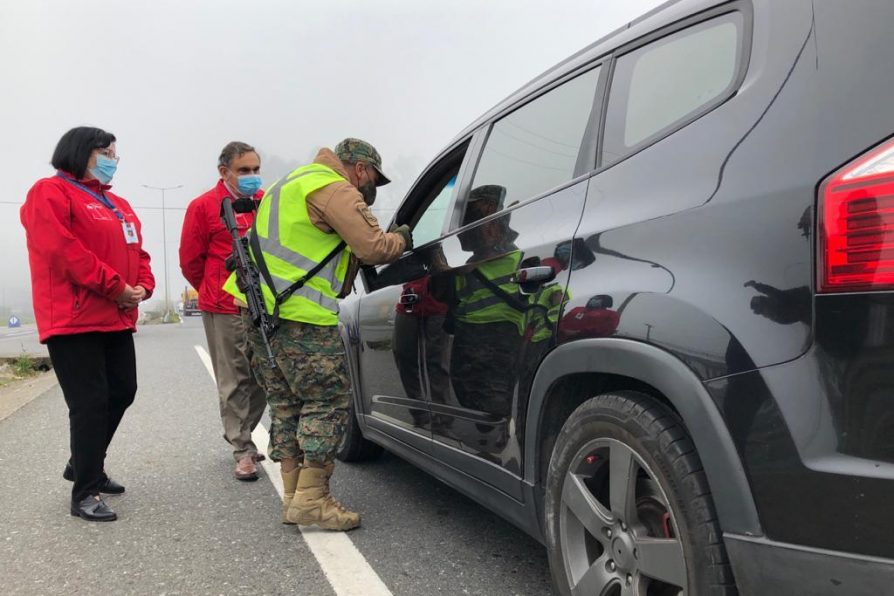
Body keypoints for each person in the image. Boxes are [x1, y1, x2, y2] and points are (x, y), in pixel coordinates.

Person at [224, 138, 411, 530]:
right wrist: (403, 239)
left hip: (258, 311)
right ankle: (314, 500)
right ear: (360, 168)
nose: (372, 185)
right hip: (300, 315)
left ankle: (294, 498)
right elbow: (374, 246)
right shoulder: (333, 188)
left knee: (288, 402)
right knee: (326, 400)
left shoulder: (287, 184)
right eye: (373, 177)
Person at [20, 126, 154, 522]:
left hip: (114, 316)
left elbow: (137, 251)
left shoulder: (118, 204)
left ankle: (83, 464)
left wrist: (144, 285)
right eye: (106, 152)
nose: (114, 159)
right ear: (82, 152)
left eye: (116, 153)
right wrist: (115, 287)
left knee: (122, 391)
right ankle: (85, 492)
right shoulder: (49, 192)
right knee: (89, 403)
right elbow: (63, 251)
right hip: (72, 317)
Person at [179, 141, 267, 481]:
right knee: (234, 378)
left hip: (263, 303)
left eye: (256, 169)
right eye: (244, 170)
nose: (251, 176)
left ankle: (243, 432)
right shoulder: (203, 207)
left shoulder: (264, 203)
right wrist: (213, 288)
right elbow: (190, 260)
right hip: (223, 305)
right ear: (224, 171)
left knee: (263, 373)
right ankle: (242, 448)